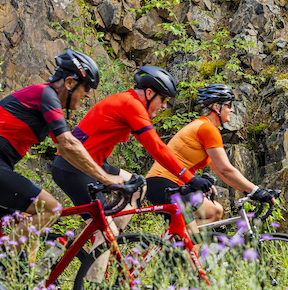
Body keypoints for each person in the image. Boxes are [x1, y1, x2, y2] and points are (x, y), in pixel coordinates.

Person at [0, 49, 122, 235]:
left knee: (32, 226)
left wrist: (96, 176)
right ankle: (2, 261)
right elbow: (68, 144)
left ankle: (18, 263)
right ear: (69, 83)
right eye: (87, 88)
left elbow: (65, 152)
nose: (89, 95)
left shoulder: (46, 100)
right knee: (52, 209)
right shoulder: (46, 95)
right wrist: (106, 178)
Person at [51, 64, 214, 228]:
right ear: (149, 93)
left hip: (89, 164)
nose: (164, 106)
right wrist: (189, 178)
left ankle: (114, 238)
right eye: (163, 99)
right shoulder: (131, 105)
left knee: (138, 188)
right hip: (73, 167)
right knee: (106, 232)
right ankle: (106, 237)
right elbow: (157, 149)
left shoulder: (128, 102)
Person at [146, 83, 274, 223]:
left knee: (215, 211)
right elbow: (226, 170)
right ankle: (184, 242)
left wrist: (249, 192)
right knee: (192, 236)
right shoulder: (207, 129)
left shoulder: (203, 126)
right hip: (166, 183)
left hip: (163, 183)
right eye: (228, 105)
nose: (231, 110)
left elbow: (222, 174)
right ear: (216, 107)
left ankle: (169, 242)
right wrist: (256, 190)